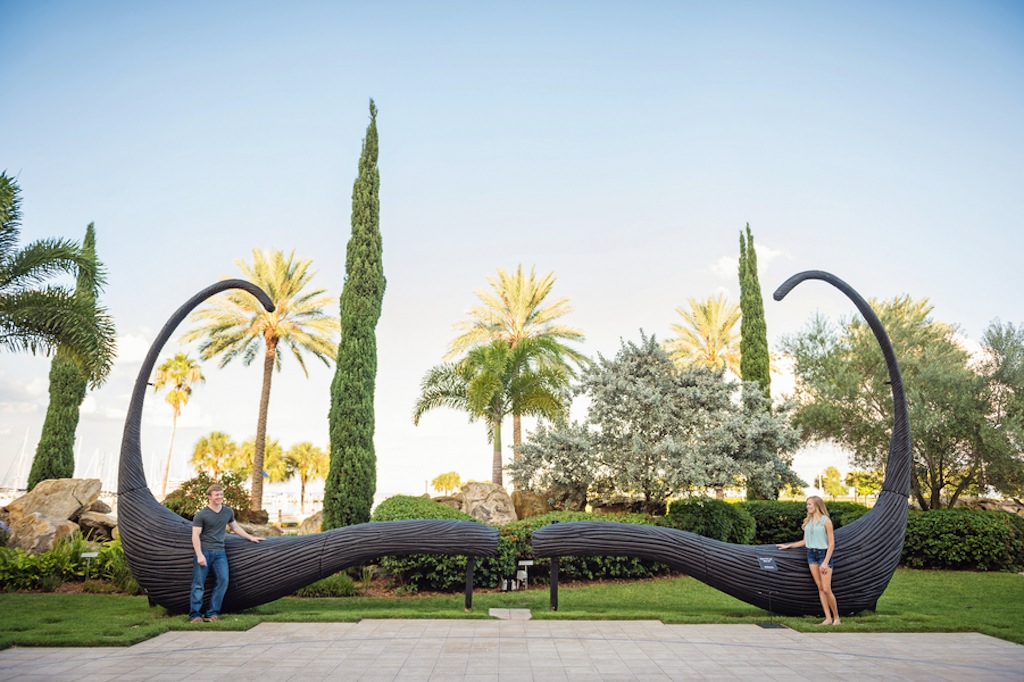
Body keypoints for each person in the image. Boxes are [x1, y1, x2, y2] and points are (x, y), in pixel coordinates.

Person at [189, 483, 263, 623]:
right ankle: (195, 615)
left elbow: (235, 527)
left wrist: (250, 537)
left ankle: (212, 613)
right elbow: (195, 536)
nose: (220, 497)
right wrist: (199, 555)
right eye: (217, 495)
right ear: (209, 497)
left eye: (221, 494)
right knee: (198, 584)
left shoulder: (227, 512)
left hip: (220, 553)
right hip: (204, 551)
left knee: (223, 580)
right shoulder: (201, 514)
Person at [776, 496, 840, 626]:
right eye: (807, 504)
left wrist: (825, 562)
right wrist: (789, 546)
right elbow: (805, 541)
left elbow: (832, 543)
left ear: (816, 505)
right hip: (811, 555)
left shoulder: (825, 521)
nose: (808, 507)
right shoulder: (808, 522)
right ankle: (827, 618)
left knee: (827, 589)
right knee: (820, 588)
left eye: (809, 504)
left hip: (823, 555)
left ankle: (837, 618)